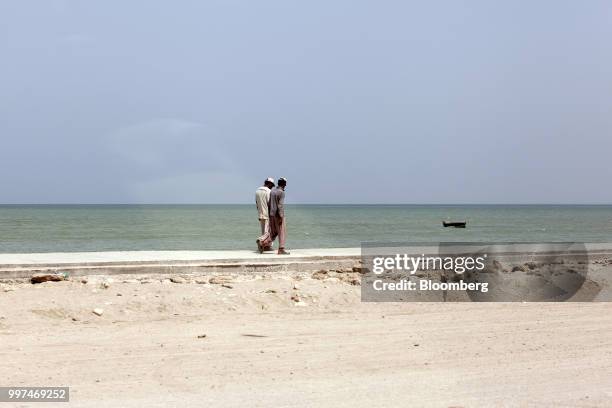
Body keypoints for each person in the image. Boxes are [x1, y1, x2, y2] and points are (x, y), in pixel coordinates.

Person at [257, 177, 289, 255]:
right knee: (282, 232)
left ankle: (262, 242)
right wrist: (281, 216)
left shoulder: (273, 191)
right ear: (284, 184)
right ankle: (281, 249)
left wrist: (269, 214)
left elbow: (269, 204)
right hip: (278, 215)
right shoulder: (281, 192)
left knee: (273, 233)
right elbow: (280, 205)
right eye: (285, 184)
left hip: (271, 215)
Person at [255, 177, 275, 251]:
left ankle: (265, 247)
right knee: (268, 232)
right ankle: (260, 240)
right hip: (267, 214)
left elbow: (257, 203)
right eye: (272, 185)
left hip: (260, 214)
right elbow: (270, 204)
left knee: (263, 231)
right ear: (269, 183)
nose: (272, 187)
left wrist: (259, 213)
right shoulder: (268, 191)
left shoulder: (257, 190)